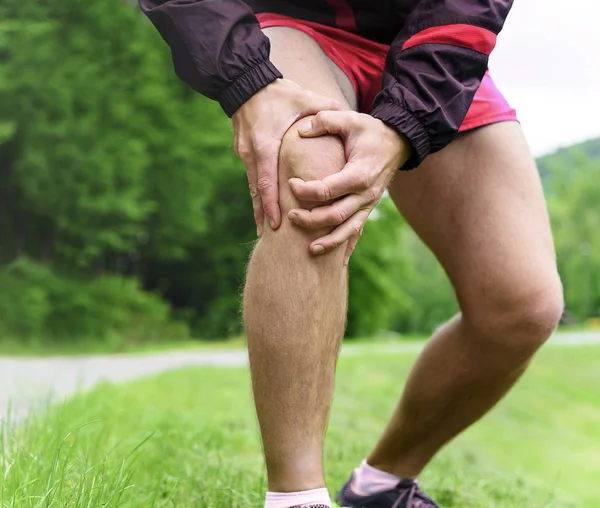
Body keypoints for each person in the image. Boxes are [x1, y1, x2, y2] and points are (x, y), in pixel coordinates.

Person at [139, 1, 564, 506]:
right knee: (314, 165)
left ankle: (381, 486)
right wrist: (246, 77)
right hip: (290, 18)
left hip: (424, 41)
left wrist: (406, 121)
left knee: (522, 304)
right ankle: (297, 498)